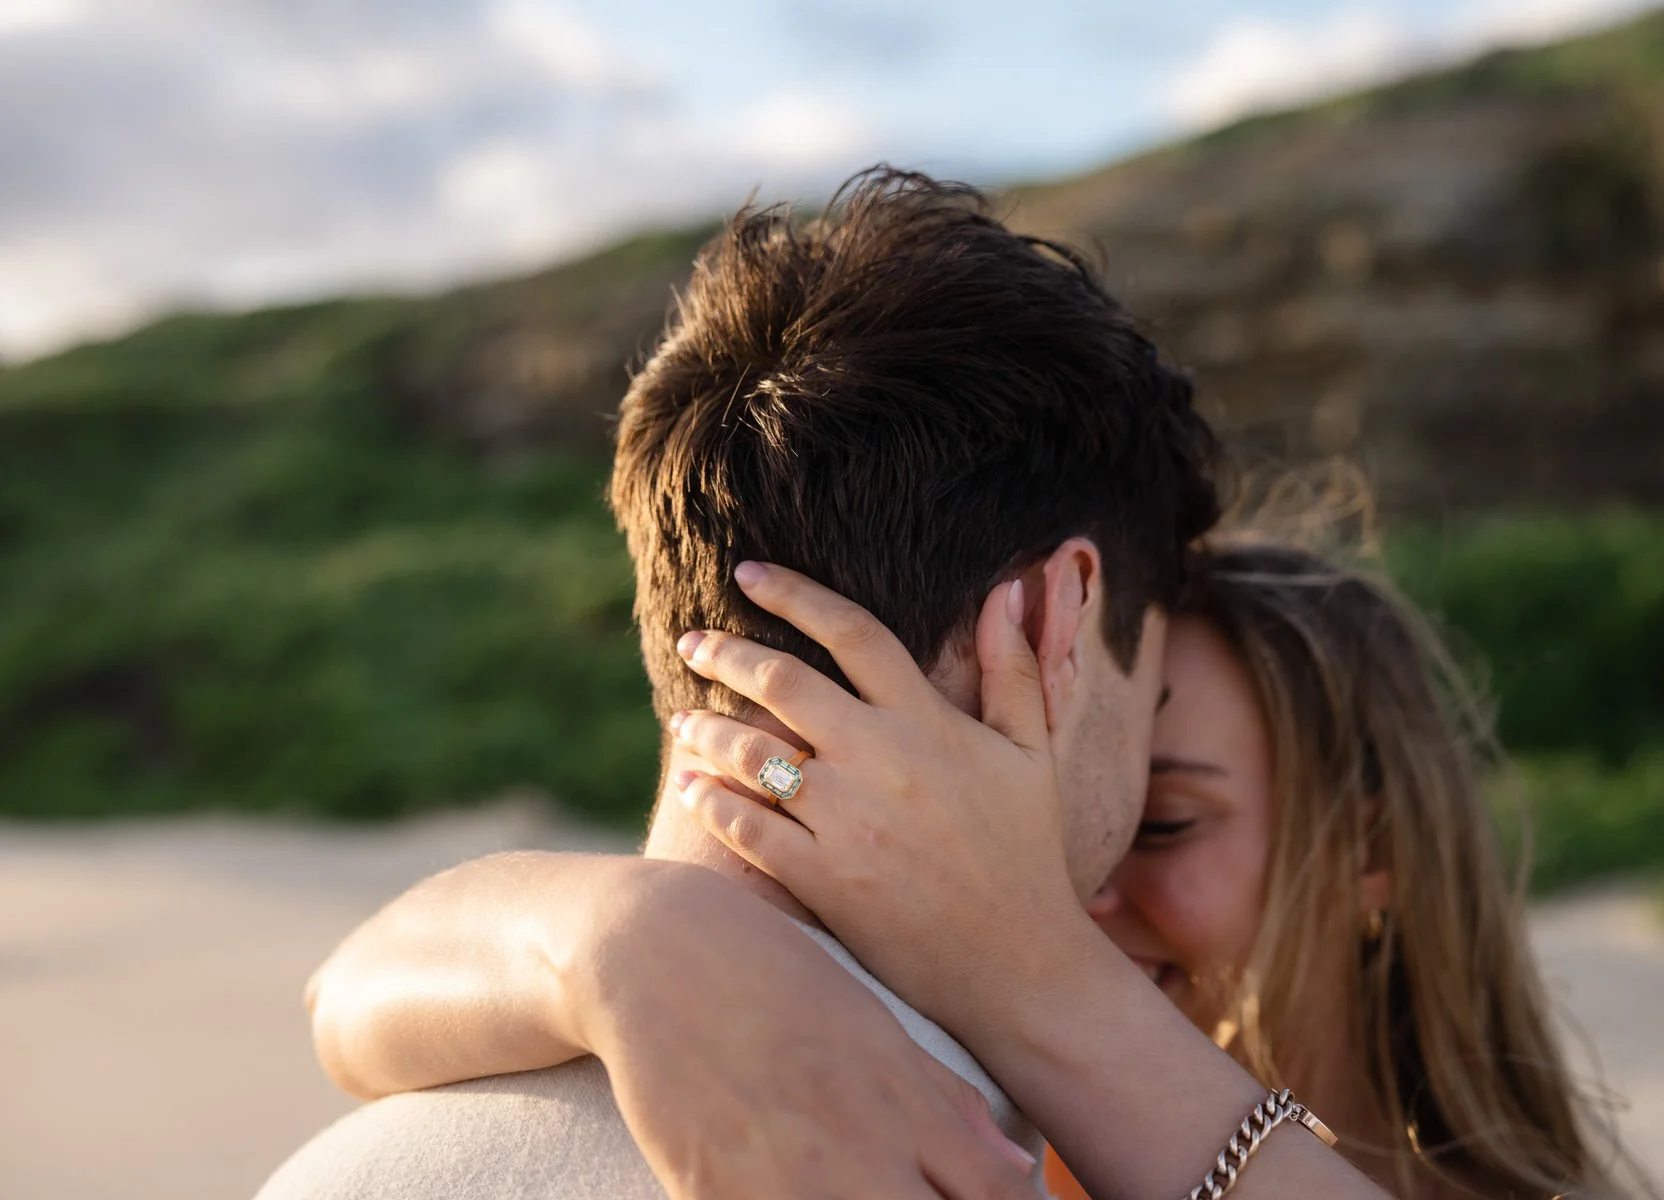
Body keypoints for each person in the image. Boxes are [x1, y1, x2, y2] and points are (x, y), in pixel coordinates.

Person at [259, 167, 1383, 1200]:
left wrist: (632, 932)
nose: (1102, 896)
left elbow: (331, 1005)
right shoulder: (964, 1165)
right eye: (1151, 720)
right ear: (1053, 619)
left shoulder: (335, 1166)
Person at [305, 541, 1657, 1200]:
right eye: (1086, 822)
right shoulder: (969, 1138)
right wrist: (623, 934)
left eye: (1165, 826)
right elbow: (345, 999)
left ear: (1371, 853)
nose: (1068, 890)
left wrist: (1037, 974)